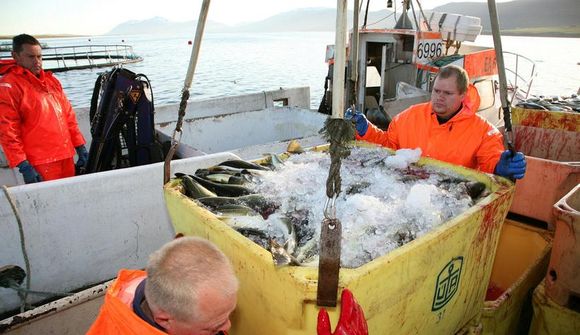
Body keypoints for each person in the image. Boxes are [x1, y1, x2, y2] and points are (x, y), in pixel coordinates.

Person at [346, 65, 526, 180]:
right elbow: (389, 146)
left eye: (447, 93)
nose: (439, 98)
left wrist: (500, 167)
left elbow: (490, 162)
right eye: (436, 91)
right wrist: (365, 130)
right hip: (404, 191)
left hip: (450, 201)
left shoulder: (484, 132)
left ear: (463, 95)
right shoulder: (409, 116)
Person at [86, 236, 239, 335]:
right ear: (165, 321)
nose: (228, 326)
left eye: (228, 315)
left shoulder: (161, 284)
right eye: (212, 328)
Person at [0, 34, 87, 184]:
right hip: (40, 162)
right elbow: (7, 130)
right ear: (15, 56)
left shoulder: (51, 82)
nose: (37, 62)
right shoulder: (9, 86)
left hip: (66, 156)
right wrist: (22, 164)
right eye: (31, 57)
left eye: (40, 57)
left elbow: (68, 117)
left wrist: (80, 146)